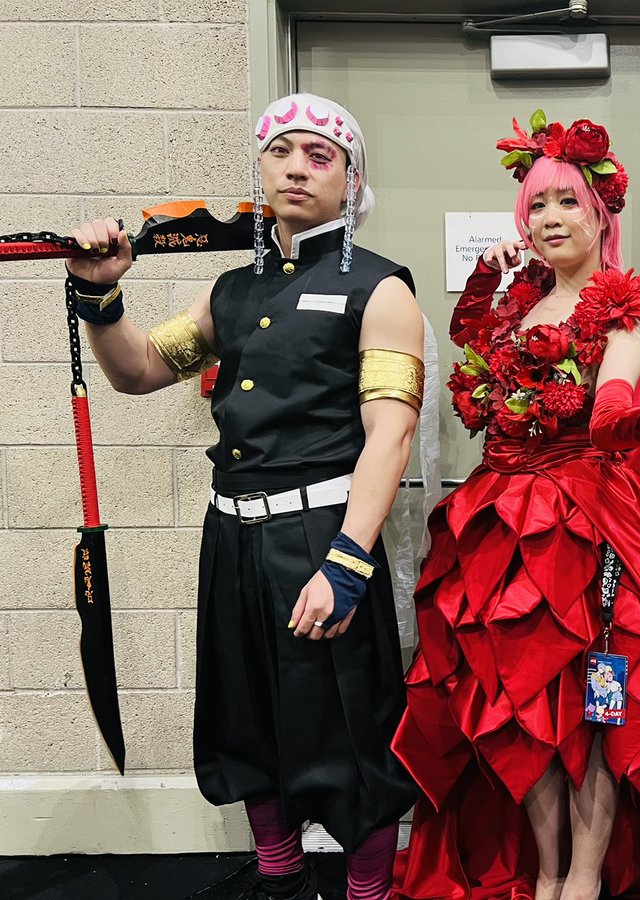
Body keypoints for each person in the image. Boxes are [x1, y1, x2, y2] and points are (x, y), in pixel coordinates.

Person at [65, 93, 423, 900]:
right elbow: (138, 370)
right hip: (231, 538)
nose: (297, 167)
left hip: (323, 537)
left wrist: (347, 562)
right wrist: (101, 298)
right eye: (280, 151)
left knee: (351, 733)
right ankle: (279, 881)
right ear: (260, 168)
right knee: (245, 722)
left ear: (351, 179)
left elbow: (391, 436)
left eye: (320, 155)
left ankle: (368, 895)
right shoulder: (231, 291)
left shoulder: (381, 289)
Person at [392, 111, 640, 900]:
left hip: (585, 528)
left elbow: (609, 414)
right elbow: (469, 361)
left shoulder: (620, 309)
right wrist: (485, 281)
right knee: (519, 708)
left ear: (601, 214)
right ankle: (545, 871)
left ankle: (583, 878)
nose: (549, 217)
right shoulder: (518, 305)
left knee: (598, 712)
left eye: (567, 201)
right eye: (536, 203)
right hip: (498, 529)